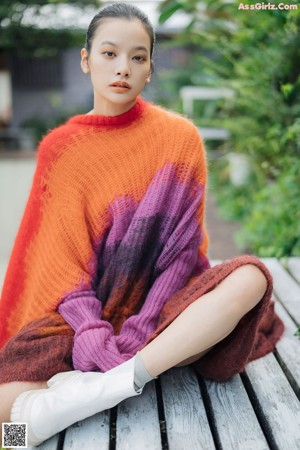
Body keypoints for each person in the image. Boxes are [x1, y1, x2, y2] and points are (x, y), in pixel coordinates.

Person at [0, 2, 284, 447]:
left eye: (138, 57)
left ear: (150, 68)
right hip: (84, 316)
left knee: (250, 276)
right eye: (109, 53)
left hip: (163, 312)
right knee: (4, 423)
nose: (123, 68)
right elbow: (64, 273)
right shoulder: (62, 150)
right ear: (85, 59)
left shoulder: (179, 139)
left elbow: (181, 258)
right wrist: (95, 335)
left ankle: (117, 382)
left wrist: (136, 334)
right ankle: (95, 393)